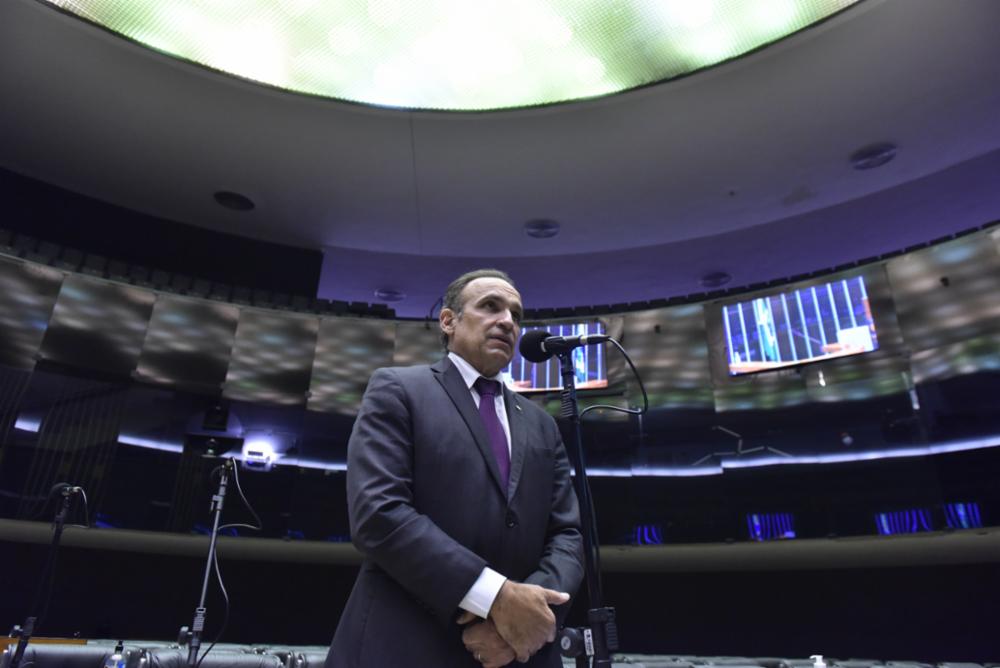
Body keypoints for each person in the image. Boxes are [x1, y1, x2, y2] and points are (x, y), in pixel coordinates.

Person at [326, 269, 584, 667]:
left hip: (519, 654)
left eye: (516, 314)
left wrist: (526, 617)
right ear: (448, 321)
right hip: (406, 645)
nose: (508, 321)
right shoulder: (398, 389)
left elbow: (567, 533)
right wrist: (495, 597)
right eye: (490, 307)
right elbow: (379, 514)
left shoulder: (542, 424)